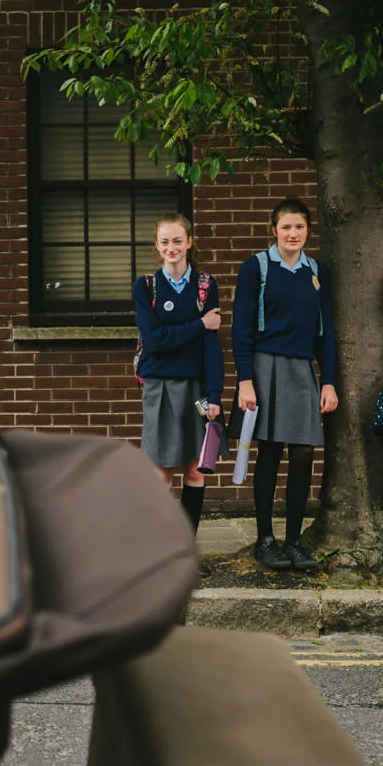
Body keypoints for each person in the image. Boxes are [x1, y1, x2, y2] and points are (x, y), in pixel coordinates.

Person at [232, 196, 339, 571]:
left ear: (308, 230)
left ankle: (294, 541)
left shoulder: (316, 271)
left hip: (303, 371)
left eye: (300, 227)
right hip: (265, 368)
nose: (293, 233)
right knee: (271, 452)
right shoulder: (256, 268)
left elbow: (326, 332)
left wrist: (329, 382)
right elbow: (241, 328)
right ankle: (265, 540)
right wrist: (245, 380)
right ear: (273, 230)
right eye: (286, 227)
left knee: (304, 453)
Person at [133, 213, 223, 569]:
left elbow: (211, 346)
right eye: (164, 242)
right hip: (160, 386)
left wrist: (215, 394)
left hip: (197, 387)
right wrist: (199, 324)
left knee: (195, 471)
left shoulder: (205, 286)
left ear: (190, 243)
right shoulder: (146, 287)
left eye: (178, 241)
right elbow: (154, 341)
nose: (171, 248)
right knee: (161, 473)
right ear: (157, 246)